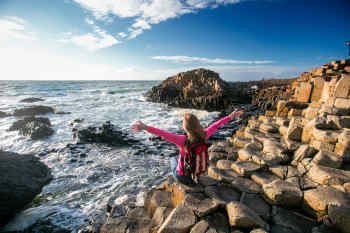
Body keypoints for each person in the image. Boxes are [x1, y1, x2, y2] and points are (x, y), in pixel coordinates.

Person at [131, 109, 244, 186]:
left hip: (184, 178)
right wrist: (230, 116)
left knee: (172, 159)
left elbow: (162, 133)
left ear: (185, 128)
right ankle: (195, 175)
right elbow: (217, 124)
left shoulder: (182, 140)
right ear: (198, 124)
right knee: (182, 157)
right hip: (198, 174)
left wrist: (145, 127)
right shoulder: (205, 134)